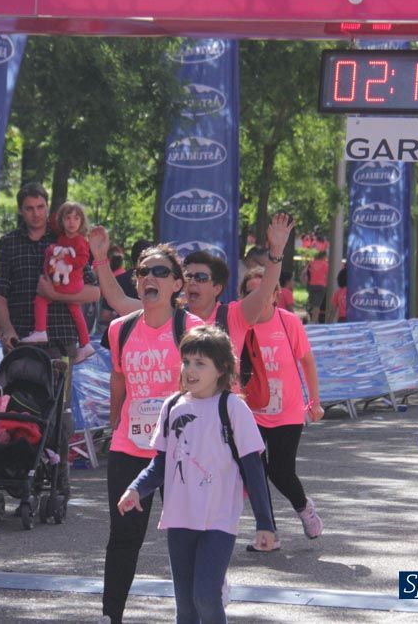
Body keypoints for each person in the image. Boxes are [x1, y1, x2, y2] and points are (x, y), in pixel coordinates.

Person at [117, 325, 276, 624]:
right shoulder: (172, 406)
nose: (190, 370)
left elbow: (254, 471)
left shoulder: (233, 409)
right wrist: (137, 488)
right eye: (186, 361)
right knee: (186, 606)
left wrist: (265, 524)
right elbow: (161, 464)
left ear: (221, 369)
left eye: (200, 363)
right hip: (180, 519)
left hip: (219, 519)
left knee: (205, 596)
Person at [101, 244, 205, 624]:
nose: (151, 278)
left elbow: (213, 384)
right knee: (124, 536)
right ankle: (110, 616)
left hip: (182, 450)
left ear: (177, 283)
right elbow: (118, 376)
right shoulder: (120, 329)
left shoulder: (192, 329)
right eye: (145, 271)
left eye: (161, 272)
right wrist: (116, 420)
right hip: (130, 447)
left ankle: (197, 609)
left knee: (186, 535)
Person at [235, 267, 324, 551]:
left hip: (288, 411)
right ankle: (267, 533)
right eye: (250, 291)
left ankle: (304, 508)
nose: (258, 296)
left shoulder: (289, 323)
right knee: (255, 473)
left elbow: (307, 363)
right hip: (252, 411)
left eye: (264, 289)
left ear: (275, 295)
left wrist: (315, 402)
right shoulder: (240, 324)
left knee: (280, 471)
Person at [91, 214, 293, 331]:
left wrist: (276, 252)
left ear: (217, 288)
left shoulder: (234, 316)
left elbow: (266, 289)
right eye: (188, 277)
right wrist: (100, 257)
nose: (192, 282)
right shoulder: (168, 315)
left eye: (201, 277)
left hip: (224, 405)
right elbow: (118, 300)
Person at [0, 183, 99, 357]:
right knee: (18, 385)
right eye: (29, 209)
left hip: (61, 339)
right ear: (20, 210)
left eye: (40, 207)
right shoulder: (8, 242)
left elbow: (94, 292)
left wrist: (55, 295)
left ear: (47, 207)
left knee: (60, 385)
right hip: (21, 338)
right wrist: (7, 330)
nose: (36, 214)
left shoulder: (66, 237)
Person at [22, 201, 96, 363]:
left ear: (82, 222)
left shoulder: (80, 241)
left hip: (71, 282)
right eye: (67, 218)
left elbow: (83, 260)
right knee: (76, 311)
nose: (72, 222)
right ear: (61, 221)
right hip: (66, 279)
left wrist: (66, 259)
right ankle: (85, 344)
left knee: (41, 298)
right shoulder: (62, 237)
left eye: (76, 218)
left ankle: (41, 330)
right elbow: (53, 221)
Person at [304, 251, 328, 324]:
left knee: (313, 303)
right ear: (324, 256)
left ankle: (311, 319)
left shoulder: (311, 263)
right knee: (317, 305)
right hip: (321, 286)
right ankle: (314, 321)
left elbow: (305, 273)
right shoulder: (325, 264)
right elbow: (328, 275)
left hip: (312, 285)